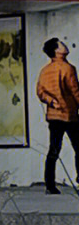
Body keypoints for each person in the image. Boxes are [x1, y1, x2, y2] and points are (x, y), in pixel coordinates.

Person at [36, 36, 79, 194]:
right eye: (62, 45)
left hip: (53, 115)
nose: (65, 46)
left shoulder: (44, 70)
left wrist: (51, 101)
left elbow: (40, 91)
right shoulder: (68, 68)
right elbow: (75, 91)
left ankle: (50, 184)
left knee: (53, 149)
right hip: (69, 114)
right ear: (57, 51)